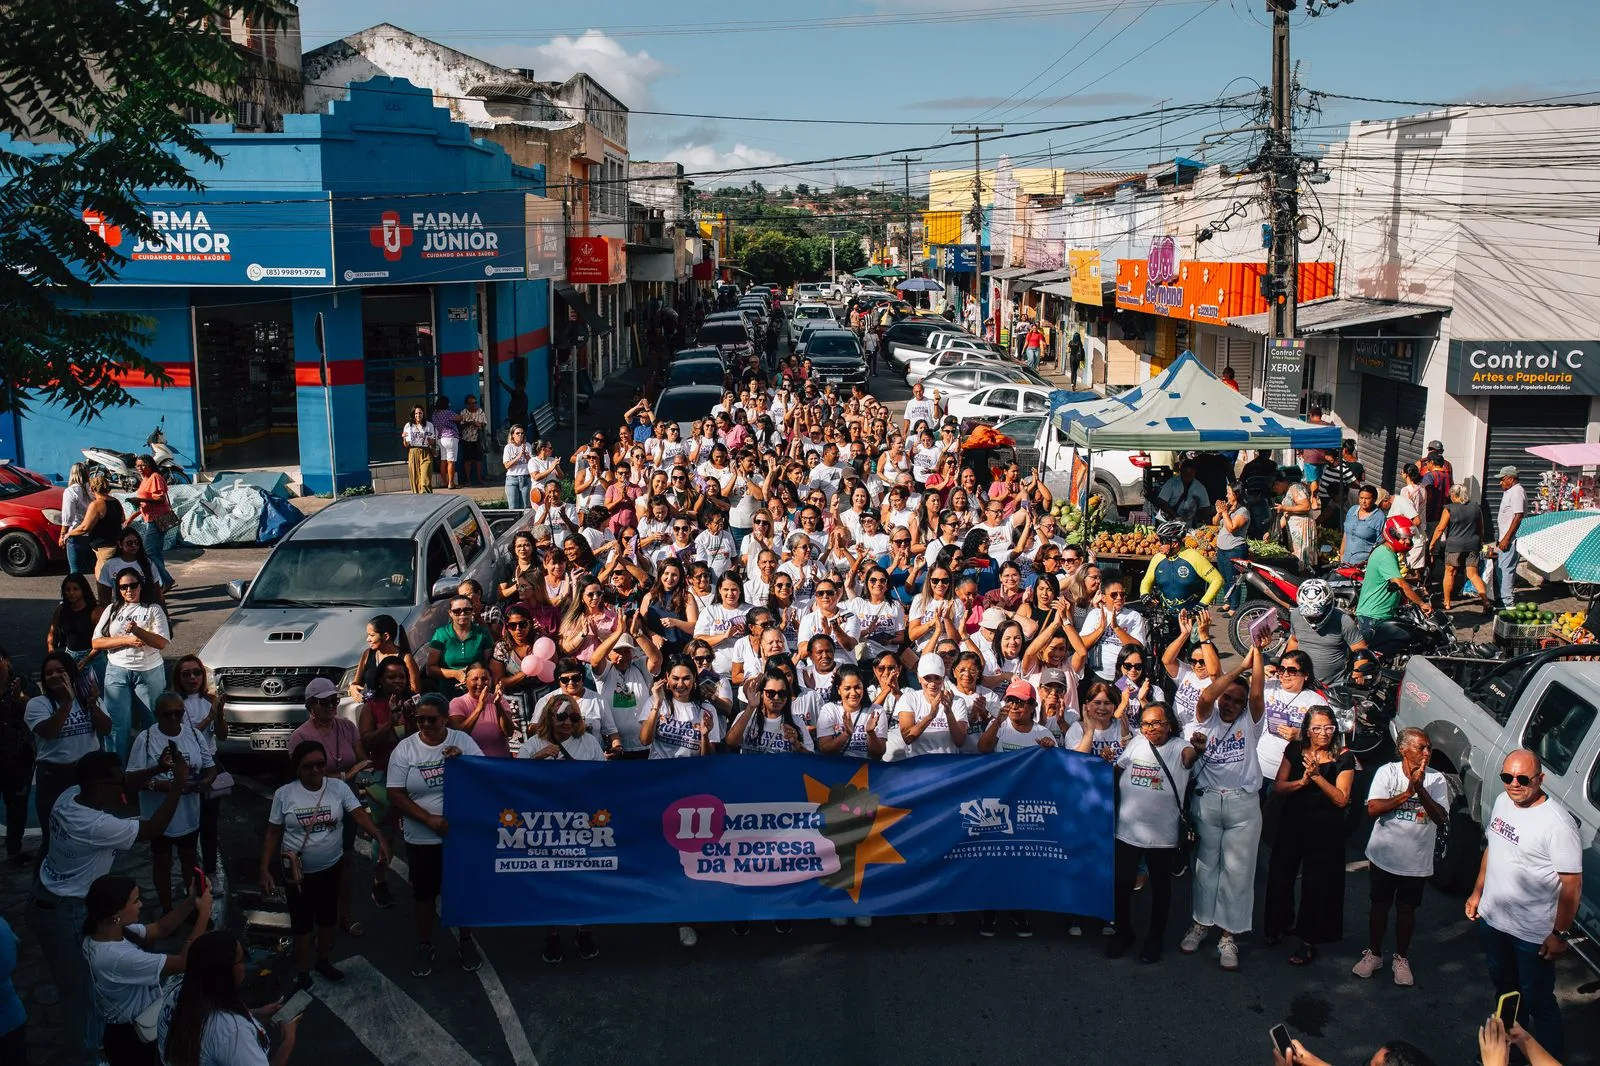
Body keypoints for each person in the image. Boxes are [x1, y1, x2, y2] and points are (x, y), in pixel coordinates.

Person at [33, 751, 189, 1066]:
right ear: (101, 786)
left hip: (48, 898)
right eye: (117, 783)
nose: (124, 788)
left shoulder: (70, 796)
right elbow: (153, 829)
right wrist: (178, 784)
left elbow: (123, 780)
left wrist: (158, 768)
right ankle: (88, 1059)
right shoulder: (96, 824)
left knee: (84, 989)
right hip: (68, 911)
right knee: (81, 998)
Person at [1466, 749, 1583, 1060]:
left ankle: (1547, 1058)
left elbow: (1571, 884)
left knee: (1537, 1001)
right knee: (1506, 995)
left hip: (1532, 936)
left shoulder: (1557, 824)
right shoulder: (1505, 802)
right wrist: (1478, 892)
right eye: (1507, 777)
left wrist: (1559, 934)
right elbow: (1493, 847)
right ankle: (1503, 1055)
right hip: (1494, 922)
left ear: (1540, 779)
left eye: (1522, 779)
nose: (1514, 784)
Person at [261, 739, 390, 992]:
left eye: (321, 764)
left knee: (327, 919)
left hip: (331, 868)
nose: (316, 771)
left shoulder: (338, 789)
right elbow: (273, 833)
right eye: (309, 766)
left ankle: (322, 961)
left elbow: (358, 814)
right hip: (296, 875)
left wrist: (379, 836)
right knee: (301, 923)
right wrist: (264, 868)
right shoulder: (285, 795)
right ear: (298, 768)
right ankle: (302, 971)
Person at [1181, 644, 1267, 972]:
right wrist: (1239, 667)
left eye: (1237, 701)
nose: (1230, 704)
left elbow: (1257, 693)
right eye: (1226, 698)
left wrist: (1256, 657)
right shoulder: (1206, 716)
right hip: (1207, 802)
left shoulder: (1251, 720)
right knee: (1205, 868)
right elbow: (1205, 698)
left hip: (1243, 805)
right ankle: (1201, 923)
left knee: (1238, 873)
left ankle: (1228, 935)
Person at [387, 692, 484, 977]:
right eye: (420, 719)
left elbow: (485, 775)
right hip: (422, 837)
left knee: (462, 890)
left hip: (460, 834)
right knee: (425, 895)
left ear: (445, 719)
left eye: (432, 719)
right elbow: (394, 793)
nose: (425, 725)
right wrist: (428, 818)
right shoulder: (405, 749)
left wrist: (463, 762)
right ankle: (425, 944)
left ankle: (465, 941)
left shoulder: (462, 741)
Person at [83, 873, 213, 1066]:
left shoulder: (107, 932)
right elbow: (184, 962)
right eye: (135, 901)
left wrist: (191, 900)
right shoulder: (116, 957)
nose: (141, 905)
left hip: (133, 1032)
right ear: (115, 914)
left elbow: (161, 928)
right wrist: (204, 914)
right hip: (133, 1040)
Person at [1352, 728, 1448, 987]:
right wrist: (1407, 794)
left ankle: (1401, 958)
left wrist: (1421, 790)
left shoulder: (1437, 779)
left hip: (1415, 862)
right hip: (1384, 856)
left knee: (1407, 910)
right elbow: (1373, 809)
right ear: (1404, 750)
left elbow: (1440, 817)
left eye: (1429, 747)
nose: (1427, 753)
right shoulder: (1387, 773)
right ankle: (1373, 954)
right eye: (1421, 748)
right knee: (1379, 905)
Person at [1106, 700, 1198, 963]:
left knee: (1160, 890)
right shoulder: (1136, 742)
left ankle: (1154, 939)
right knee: (1121, 886)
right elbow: (1118, 771)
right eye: (1146, 723)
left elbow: (1190, 757)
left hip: (1162, 837)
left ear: (1169, 725)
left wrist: (1198, 748)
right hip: (1126, 832)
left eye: (1157, 723)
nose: (1150, 728)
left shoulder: (1180, 747)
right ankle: (1123, 933)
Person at [1263, 706, 1355, 964]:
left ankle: (1308, 940)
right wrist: (1301, 783)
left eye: (1329, 728)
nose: (1323, 733)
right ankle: (1277, 925)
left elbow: (1341, 799)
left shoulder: (1344, 758)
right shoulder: (1294, 750)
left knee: (1317, 886)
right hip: (1292, 824)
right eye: (1317, 728)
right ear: (1307, 730)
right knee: (1280, 876)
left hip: (1325, 831)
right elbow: (1279, 786)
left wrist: (1316, 777)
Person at [516, 693, 603, 962]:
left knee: (583, 880)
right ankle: (552, 933)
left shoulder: (588, 743)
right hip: (547, 825)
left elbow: (605, 778)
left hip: (581, 823)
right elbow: (511, 781)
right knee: (550, 880)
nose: (567, 722)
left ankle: (583, 929)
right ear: (549, 717)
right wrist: (536, 760)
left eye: (573, 717)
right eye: (562, 716)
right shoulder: (533, 745)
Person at [126, 693, 217, 915]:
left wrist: (205, 782)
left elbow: (210, 766)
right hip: (158, 816)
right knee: (162, 863)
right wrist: (160, 784)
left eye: (179, 712)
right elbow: (131, 779)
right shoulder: (146, 739)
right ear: (157, 714)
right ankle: (167, 909)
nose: (175, 718)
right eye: (168, 714)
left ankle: (193, 908)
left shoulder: (194, 735)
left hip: (188, 813)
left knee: (190, 862)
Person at [159, 931, 300, 1066]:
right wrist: (289, 1040)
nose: (244, 966)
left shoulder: (178, 992)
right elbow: (225, 1032)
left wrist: (255, 1014)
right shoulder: (234, 1033)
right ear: (224, 973)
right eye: (240, 960)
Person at [26, 652, 111, 865]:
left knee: (91, 833)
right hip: (54, 777)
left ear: (71, 673)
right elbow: (49, 731)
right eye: (48, 673)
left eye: (60, 671)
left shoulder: (88, 699)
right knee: (53, 837)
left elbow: (106, 729)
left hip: (86, 776)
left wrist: (92, 705)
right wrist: (66, 702)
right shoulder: (38, 704)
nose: (54, 676)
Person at [92, 567, 171, 764]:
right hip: (117, 671)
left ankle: (153, 766)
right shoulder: (112, 609)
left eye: (133, 585)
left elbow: (161, 642)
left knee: (152, 723)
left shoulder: (153, 609)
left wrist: (138, 631)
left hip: (148, 672)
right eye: (123, 587)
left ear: (141, 586)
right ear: (118, 589)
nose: (129, 590)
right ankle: (117, 770)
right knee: (118, 725)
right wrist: (127, 640)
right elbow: (97, 642)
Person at [170, 657, 226, 878]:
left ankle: (211, 872)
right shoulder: (175, 704)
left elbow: (221, 735)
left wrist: (219, 714)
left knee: (209, 824)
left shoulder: (209, 700)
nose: (193, 678)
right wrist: (209, 717)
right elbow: (184, 737)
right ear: (179, 678)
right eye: (186, 674)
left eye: (197, 673)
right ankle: (191, 875)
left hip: (209, 766)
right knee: (189, 824)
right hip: (186, 768)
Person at [1354, 516, 1433, 642]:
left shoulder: (1388, 552)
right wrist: (1422, 604)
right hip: (1373, 616)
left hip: (1381, 614)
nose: (1408, 542)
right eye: (1404, 538)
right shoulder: (1385, 555)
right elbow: (1400, 584)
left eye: (1410, 538)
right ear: (1392, 535)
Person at [1285, 579, 1367, 685]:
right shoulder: (1295, 616)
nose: (1313, 620)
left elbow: (1360, 650)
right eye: (1309, 616)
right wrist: (1285, 667)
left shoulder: (1344, 621)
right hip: (1301, 682)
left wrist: (1358, 672)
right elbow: (1295, 641)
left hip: (1333, 686)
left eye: (1317, 616)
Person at [1140, 521, 1222, 612]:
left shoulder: (1193, 556)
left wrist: (1203, 603)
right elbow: (1147, 580)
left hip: (1191, 615)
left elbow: (1217, 579)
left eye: (1163, 541)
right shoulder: (1157, 558)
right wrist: (1144, 594)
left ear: (1175, 543)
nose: (1158, 544)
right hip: (1164, 615)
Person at [1430, 484, 1487, 611]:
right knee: (1473, 574)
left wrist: (1432, 544)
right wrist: (1480, 541)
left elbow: (1440, 528)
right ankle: (1486, 601)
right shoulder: (1476, 507)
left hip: (1454, 545)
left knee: (1450, 573)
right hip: (1473, 544)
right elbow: (1481, 528)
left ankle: (1447, 603)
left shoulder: (1449, 508)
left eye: (1451, 494)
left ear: (1454, 495)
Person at [425, 595, 494, 699]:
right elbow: (430, 669)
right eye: (457, 611)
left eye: (467, 610)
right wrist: (455, 674)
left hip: (477, 692)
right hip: (448, 693)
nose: (462, 614)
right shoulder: (441, 634)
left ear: (472, 611)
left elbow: (489, 665)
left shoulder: (483, 634)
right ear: (450, 613)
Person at [130, 455, 176, 591]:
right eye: (137, 466)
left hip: (157, 519)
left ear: (150, 465)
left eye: (143, 465)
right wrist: (132, 517)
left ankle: (167, 580)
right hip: (151, 518)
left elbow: (160, 499)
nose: (140, 468)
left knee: (148, 551)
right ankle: (163, 581)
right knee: (156, 552)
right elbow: (145, 503)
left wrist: (139, 501)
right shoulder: (145, 479)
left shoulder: (155, 477)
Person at [67, 473, 127, 573]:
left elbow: (84, 528)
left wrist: (68, 534)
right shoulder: (116, 502)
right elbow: (122, 519)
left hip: (104, 549)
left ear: (92, 488)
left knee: (104, 580)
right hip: (116, 545)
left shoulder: (96, 504)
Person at [1212, 485, 1251, 613]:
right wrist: (1219, 512)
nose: (1227, 496)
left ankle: (1234, 607)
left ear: (1237, 494)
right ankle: (1228, 602)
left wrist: (1224, 513)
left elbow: (1231, 527)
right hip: (1222, 549)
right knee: (1224, 577)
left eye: (1229, 493)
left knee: (1233, 578)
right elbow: (1214, 522)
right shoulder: (1228, 509)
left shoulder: (1243, 512)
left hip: (1234, 549)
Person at [1272, 466, 1318, 572]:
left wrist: (1284, 507)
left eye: (1276, 485)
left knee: (1302, 561)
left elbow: (1306, 506)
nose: (1274, 488)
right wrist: (1272, 533)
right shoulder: (1287, 492)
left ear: (1283, 482)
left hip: (1302, 529)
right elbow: (1286, 516)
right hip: (1294, 531)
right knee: (1297, 559)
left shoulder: (1295, 488)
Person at [1493, 465, 1525, 609]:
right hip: (1504, 537)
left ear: (1511, 479)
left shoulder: (1517, 492)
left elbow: (1518, 516)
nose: (1500, 482)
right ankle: (1503, 598)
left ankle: (1507, 602)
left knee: (1506, 569)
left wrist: (1506, 539)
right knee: (1501, 567)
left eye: (1502, 479)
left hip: (1510, 539)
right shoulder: (1510, 491)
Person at [59, 462, 93, 575]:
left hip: (76, 534)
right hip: (92, 533)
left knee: (75, 571)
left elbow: (68, 516)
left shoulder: (71, 491)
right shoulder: (92, 489)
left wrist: (62, 535)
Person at [1151, 461, 1209, 527]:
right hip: (1169, 522)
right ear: (1181, 472)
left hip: (1188, 524)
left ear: (1194, 473)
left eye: (1191, 472)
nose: (1188, 475)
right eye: (1185, 472)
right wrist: (1176, 516)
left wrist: (1200, 520)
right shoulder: (1172, 483)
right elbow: (1161, 501)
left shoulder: (1199, 487)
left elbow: (1205, 507)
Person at [1340, 484, 1385, 565]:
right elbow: (1346, 534)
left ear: (1374, 499)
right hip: (1345, 562)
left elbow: (1380, 544)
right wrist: (1342, 555)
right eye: (1361, 498)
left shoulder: (1379, 517)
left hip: (1363, 566)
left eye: (1367, 498)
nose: (1363, 501)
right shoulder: (1352, 510)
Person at [401, 404, 436, 494]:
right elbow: (406, 444)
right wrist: (404, 438)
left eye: (420, 413)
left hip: (425, 452)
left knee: (425, 480)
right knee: (415, 479)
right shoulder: (408, 426)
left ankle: (427, 497)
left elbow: (432, 442)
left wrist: (428, 439)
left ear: (423, 414)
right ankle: (418, 500)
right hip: (413, 452)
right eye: (416, 413)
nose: (418, 415)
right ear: (413, 414)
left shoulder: (429, 425)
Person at [457, 394, 489, 486]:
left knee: (478, 460)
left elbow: (485, 423)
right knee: (468, 461)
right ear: (467, 404)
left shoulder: (480, 412)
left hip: (478, 439)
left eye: (475, 403)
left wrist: (479, 424)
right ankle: (468, 480)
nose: (473, 405)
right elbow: (461, 426)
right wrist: (470, 423)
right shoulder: (463, 413)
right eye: (471, 403)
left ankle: (479, 478)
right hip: (466, 439)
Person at [502, 425, 533, 509]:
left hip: (525, 478)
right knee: (513, 507)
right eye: (517, 433)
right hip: (512, 479)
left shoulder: (528, 445)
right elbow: (507, 465)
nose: (520, 435)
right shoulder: (508, 447)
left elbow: (533, 463)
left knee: (526, 507)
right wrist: (518, 457)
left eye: (522, 433)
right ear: (512, 435)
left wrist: (526, 456)